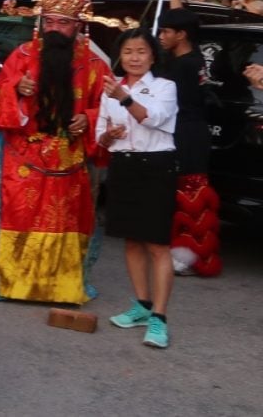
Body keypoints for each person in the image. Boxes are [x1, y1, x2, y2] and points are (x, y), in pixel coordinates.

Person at [0, 0, 109, 304]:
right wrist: (17, 89)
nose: (56, 29)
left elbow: (110, 108)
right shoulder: (21, 57)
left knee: (70, 222)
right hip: (23, 157)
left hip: (69, 159)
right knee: (17, 217)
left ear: (78, 26)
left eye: (64, 23)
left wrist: (89, 117)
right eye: (51, 22)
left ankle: (67, 285)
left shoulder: (95, 65)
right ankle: (12, 284)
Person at [96, 29, 178, 349]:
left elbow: (154, 118)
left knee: (157, 244)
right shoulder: (110, 91)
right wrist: (109, 135)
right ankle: (142, 306)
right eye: (128, 51)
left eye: (141, 51)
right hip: (124, 166)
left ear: (153, 56)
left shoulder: (164, 87)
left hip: (156, 166)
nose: (134, 57)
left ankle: (160, 317)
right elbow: (100, 137)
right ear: (120, 55)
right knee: (131, 241)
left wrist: (125, 98)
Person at [156, 5, 221, 277]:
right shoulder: (192, 57)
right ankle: (184, 251)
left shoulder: (184, 65)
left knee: (190, 196)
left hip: (187, 133)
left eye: (166, 31)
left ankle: (193, 256)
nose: (160, 36)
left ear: (181, 35)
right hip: (190, 131)